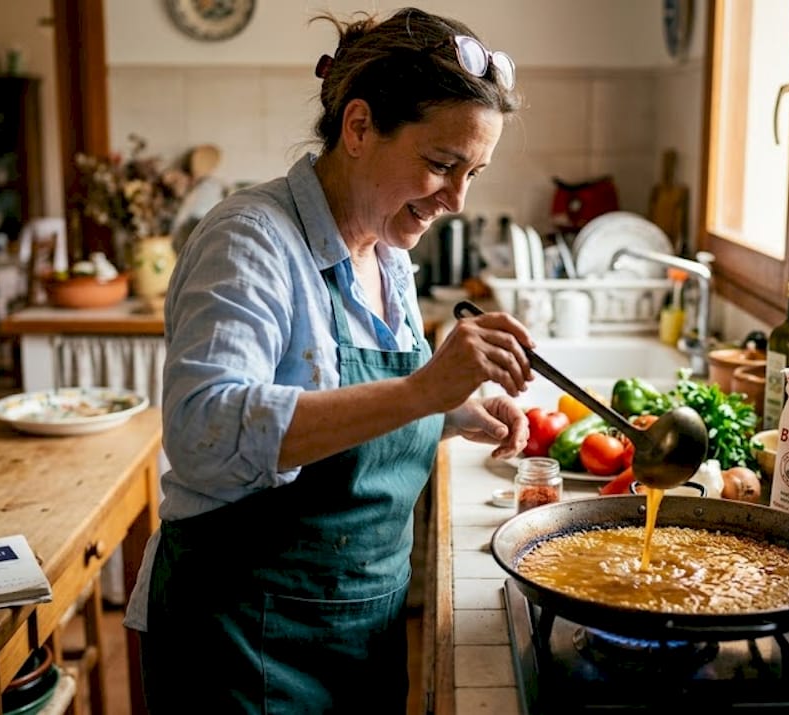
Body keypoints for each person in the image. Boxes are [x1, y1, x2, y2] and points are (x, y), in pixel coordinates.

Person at [123, 7, 529, 713]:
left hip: (360, 639)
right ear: (360, 126)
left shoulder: (388, 251)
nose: (456, 200)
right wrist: (424, 390)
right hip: (241, 646)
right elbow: (202, 430)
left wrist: (453, 412)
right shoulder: (249, 242)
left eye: (474, 173)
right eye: (441, 164)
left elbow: (359, 409)